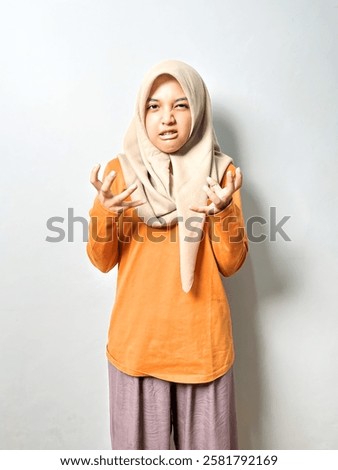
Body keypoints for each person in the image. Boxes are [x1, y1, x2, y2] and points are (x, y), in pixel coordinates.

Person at [86, 60, 248, 450]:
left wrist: (223, 211)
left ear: (198, 108)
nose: (167, 119)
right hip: (138, 347)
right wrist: (107, 210)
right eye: (154, 106)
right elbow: (101, 259)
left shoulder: (221, 175)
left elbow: (230, 263)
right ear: (141, 114)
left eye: (180, 105)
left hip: (203, 348)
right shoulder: (119, 174)